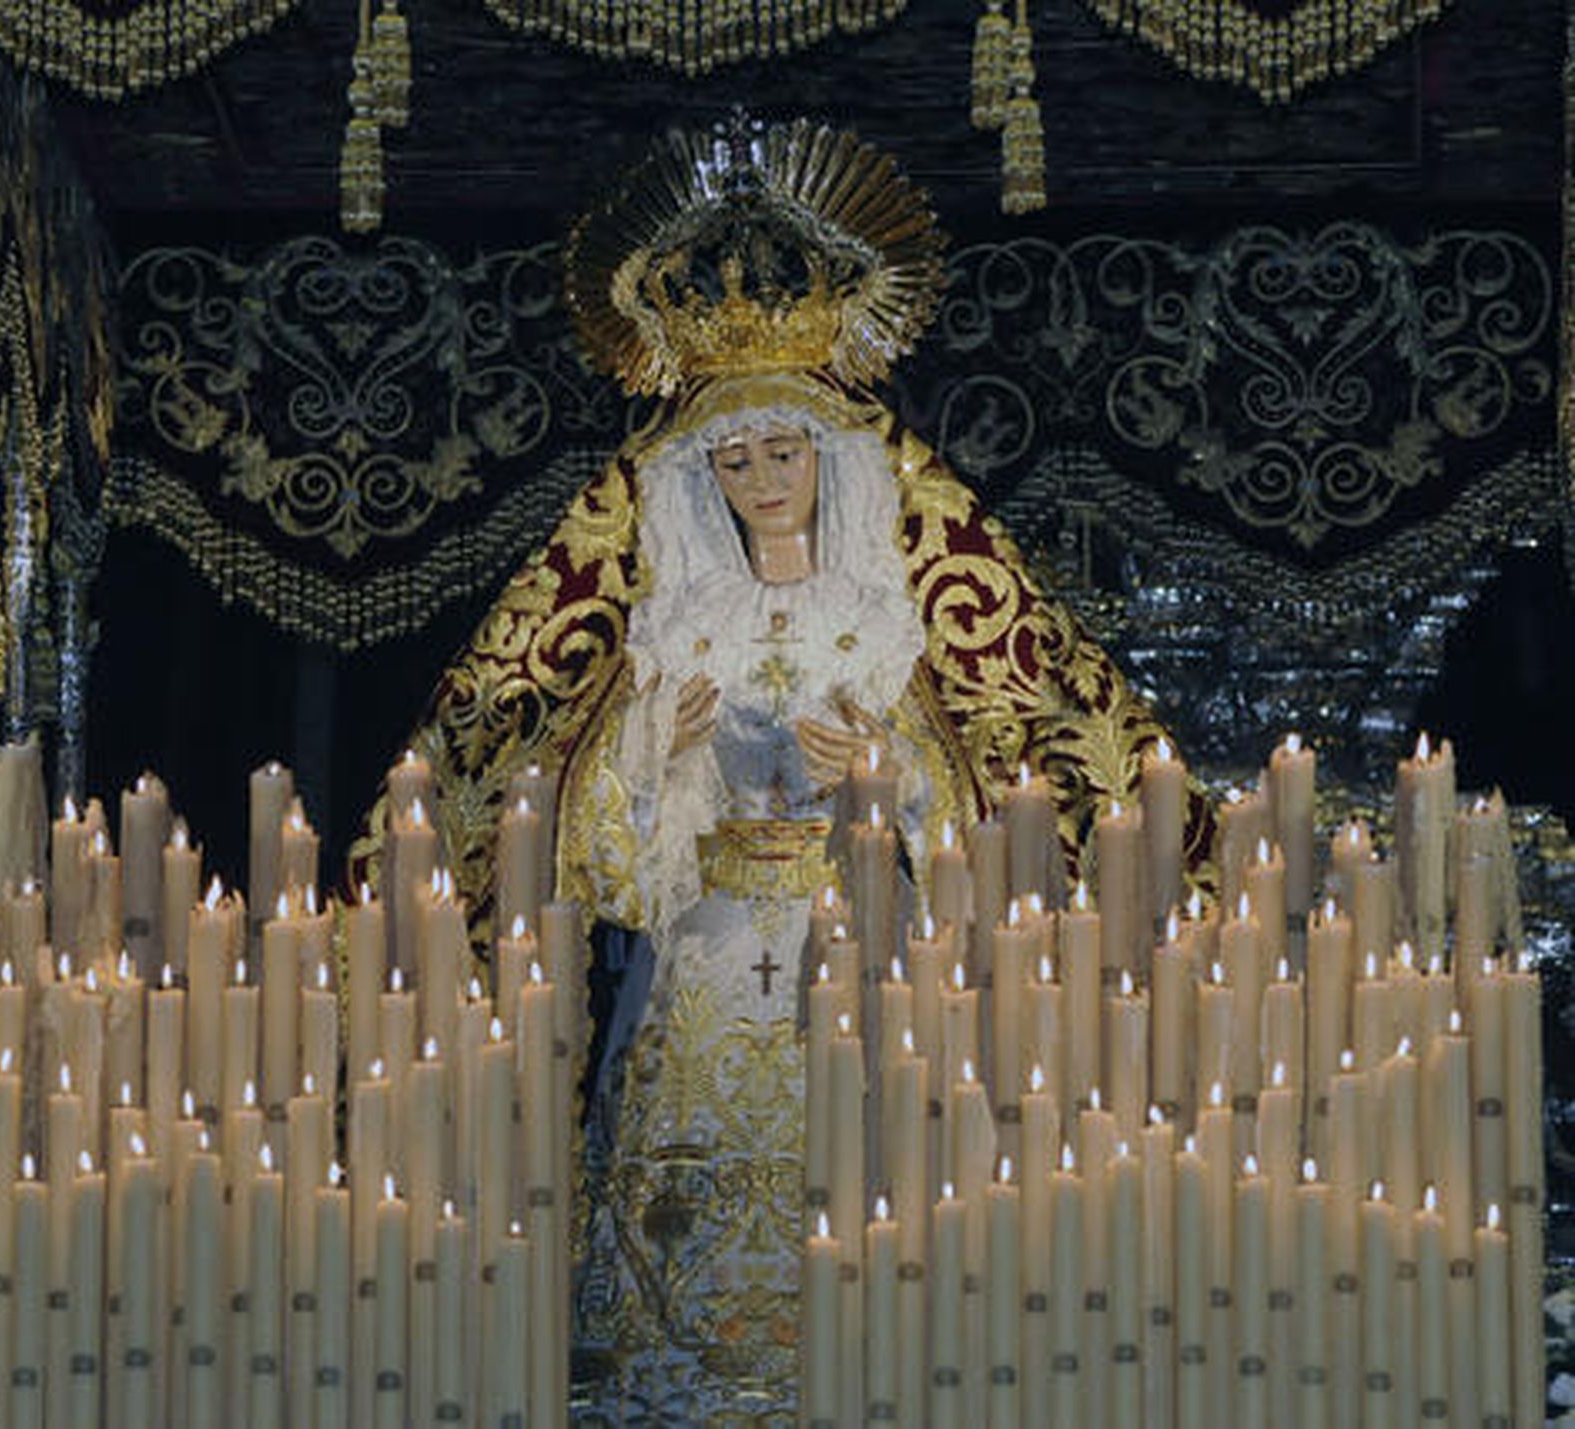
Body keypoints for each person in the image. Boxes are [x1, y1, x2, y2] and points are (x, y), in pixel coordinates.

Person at [354, 115, 1213, 1426]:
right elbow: (590, 844)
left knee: (861, 1169)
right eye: (736, 457)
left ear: (837, 465)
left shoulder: (882, 627)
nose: (763, 478)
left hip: (854, 952)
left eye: (786, 451)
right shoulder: (668, 630)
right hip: (701, 956)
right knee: (683, 1221)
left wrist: (878, 775)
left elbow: (974, 815)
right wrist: (661, 755)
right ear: (700, 477)